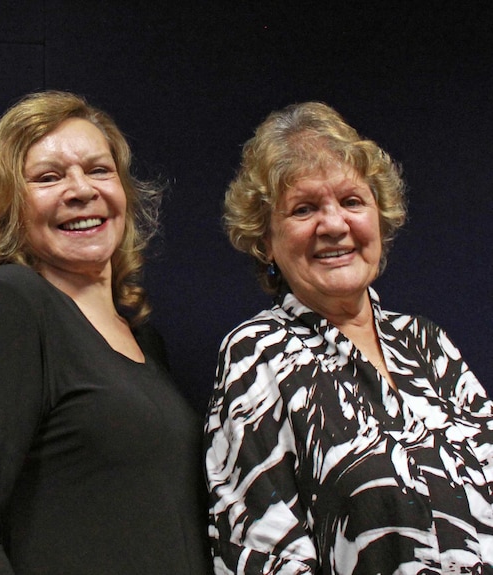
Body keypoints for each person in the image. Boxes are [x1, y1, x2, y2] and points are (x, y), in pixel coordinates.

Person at [0, 91, 210, 574]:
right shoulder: (8, 305)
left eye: (98, 170)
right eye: (49, 177)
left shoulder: (146, 342)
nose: (81, 190)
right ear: (9, 206)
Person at [204, 101, 493, 574]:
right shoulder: (257, 356)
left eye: (353, 201)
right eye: (304, 209)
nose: (335, 225)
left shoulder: (427, 343)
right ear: (266, 240)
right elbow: (260, 556)